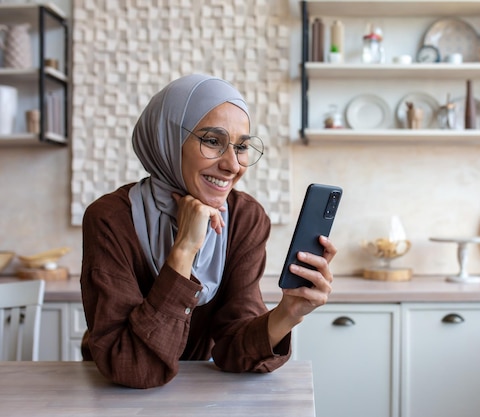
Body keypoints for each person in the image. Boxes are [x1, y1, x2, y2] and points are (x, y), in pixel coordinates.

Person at [80, 74, 336, 389]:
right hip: (112, 398)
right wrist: (184, 248)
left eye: (242, 147)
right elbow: (132, 367)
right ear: (168, 140)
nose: (233, 165)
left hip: (198, 392)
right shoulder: (110, 219)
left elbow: (233, 350)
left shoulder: (245, 218)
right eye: (213, 141)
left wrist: (288, 312)